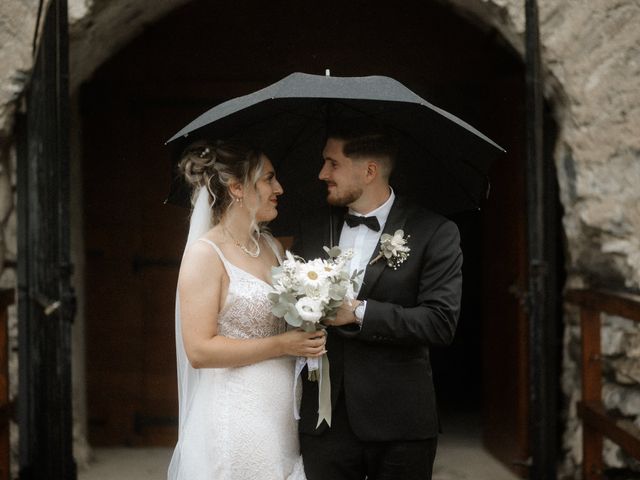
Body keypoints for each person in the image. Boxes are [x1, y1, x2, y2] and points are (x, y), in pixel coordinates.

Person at [293, 122, 463, 480]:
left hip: (400, 422)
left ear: (369, 171)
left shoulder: (435, 232)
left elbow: (440, 322)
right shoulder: (313, 227)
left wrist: (358, 312)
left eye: (332, 163)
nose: (322, 173)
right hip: (325, 418)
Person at [168, 140, 323, 480]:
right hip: (238, 414)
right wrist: (282, 346)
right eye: (268, 179)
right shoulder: (206, 255)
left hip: (283, 411)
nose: (278, 188)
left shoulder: (269, 246)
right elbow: (199, 349)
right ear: (237, 188)